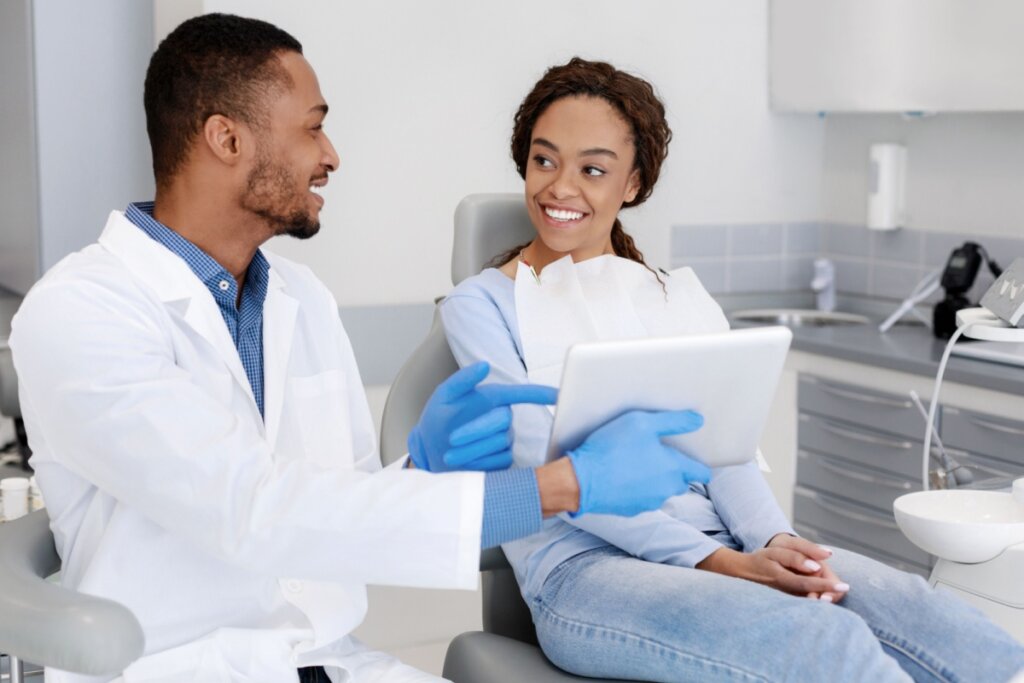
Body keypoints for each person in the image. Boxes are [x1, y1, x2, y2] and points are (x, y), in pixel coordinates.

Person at [8, 19, 713, 683]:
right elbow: (253, 508)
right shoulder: (83, 313)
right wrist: (563, 486)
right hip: (184, 667)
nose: (331, 155)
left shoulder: (301, 298)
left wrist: (420, 469)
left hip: (332, 660)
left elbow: (339, 501)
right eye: (313, 129)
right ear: (227, 139)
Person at [440, 57, 1024, 683]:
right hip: (586, 570)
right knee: (821, 644)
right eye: (543, 160)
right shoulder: (481, 306)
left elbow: (727, 449)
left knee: (943, 625)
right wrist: (717, 561)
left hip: (727, 544)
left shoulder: (671, 297)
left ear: (632, 184)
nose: (559, 187)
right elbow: (545, 472)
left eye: (592, 169)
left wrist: (772, 543)